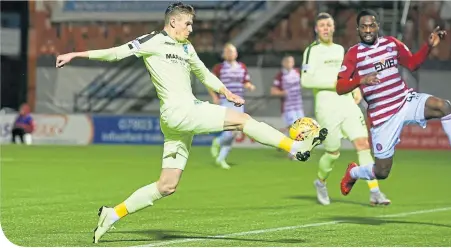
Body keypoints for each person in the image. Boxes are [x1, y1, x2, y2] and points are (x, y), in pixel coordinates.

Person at [55, 2, 327, 243]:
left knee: (166, 186)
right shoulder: (152, 41)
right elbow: (115, 53)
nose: (191, 28)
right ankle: (295, 148)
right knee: (243, 121)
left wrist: (225, 92)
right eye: (188, 23)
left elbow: (204, 74)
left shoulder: (186, 47)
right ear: (173, 22)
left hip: (179, 118)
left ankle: (112, 214)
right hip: (179, 112)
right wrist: (76, 55)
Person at [336, 9, 451, 196]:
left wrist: (428, 45)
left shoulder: (391, 44)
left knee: (443, 106)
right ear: (358, 29)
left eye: (371, 25)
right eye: (363, 26)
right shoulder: (353, 54)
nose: (368, 29)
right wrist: (360, 80)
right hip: (383, 116)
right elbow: (340, 86)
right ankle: (353, 172)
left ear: (377, 26)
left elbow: (413, 63)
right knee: (382, 171)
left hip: (405, 100)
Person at [300, 12, 389, 206]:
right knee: (333, 152)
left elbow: (350, 73)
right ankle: (321, 182)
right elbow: (305, 80)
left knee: (363, 145)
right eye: (322, 25)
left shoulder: (341, 50)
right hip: (326, 107)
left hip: (347, 104)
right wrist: (336, 83)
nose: (325, 28)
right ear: (316, 29)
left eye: (328, 24)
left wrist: (356, 88)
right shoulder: (312, 51)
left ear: (333, 28)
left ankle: (375, 192)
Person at [209, 43, 256, 169]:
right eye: (228, 51)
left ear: (236, 53)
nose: (230, 54)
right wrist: (215, 97)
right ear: (224, 54)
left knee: (235, 132)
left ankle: (219, 151)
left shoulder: (242, 67)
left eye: (232, 51)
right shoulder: (219, 68)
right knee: (231, 130)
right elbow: (210, 83)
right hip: (226, 101)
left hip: (239, 102)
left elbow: (245, 81)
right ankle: (220, 153)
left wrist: (249, 86)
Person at [270, 55, 305, 160]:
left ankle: (281, 141)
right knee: (295, 129)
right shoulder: (280, 75)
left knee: (300, 129)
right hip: (287, 107)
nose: (290, 64)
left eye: (291, 62)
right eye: (288, 62)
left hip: (298, 105)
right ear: (284, 63)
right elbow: (273, 91)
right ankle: (293, 153)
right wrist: (282, 92)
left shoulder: (297, 72)